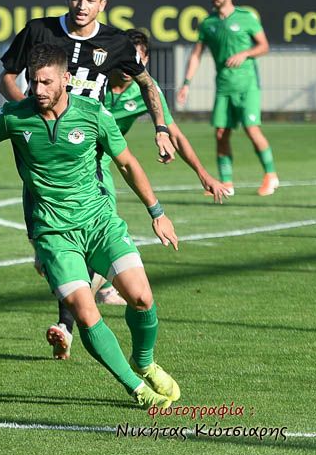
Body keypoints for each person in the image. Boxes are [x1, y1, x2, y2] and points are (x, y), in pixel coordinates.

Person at [0, 43, 180, 410]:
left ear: (66, 79)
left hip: (99, 222)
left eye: (46, 82)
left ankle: (144, 362)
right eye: (33, 81)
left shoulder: (93, 114)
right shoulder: (14, 116)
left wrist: (157, 212)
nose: (38, 89)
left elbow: (126, 163)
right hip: (53, 233)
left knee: (142, 297)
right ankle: (137, 389)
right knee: (86, 312)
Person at [79, 30, 230, 307]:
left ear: (145, 60)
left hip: (102, 161)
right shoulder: (96, 78)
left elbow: (175, 134)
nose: (129, 66)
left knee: (104, 220)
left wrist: (203, 174)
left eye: (137, 60)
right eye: (126, 58)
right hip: (76, 153)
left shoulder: (147, 89)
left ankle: (95, 293)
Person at [0, 0, 176, 163]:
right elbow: (6, 78)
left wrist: (161, 130)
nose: (82, 6)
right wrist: (27, 108)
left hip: (88, 138)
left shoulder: (116, 42)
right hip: (41, 135)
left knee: (116, 173)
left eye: (90, 0)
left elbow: (147, 83)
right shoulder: (38, 31)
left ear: (102, 5)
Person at [177, 0, 278, 196]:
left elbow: (264, 46)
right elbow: (196, 55)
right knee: (221, 133)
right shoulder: (208, 23)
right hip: (223, 86)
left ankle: (271, 175)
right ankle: (226, 183)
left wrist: (245, 53)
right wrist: (186, 83)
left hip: (247, 85)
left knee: (252, 129)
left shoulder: (246, 17)